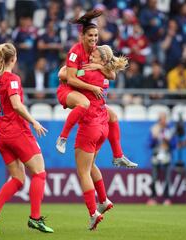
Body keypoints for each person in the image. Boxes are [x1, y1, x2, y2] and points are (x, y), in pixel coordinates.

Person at [0, 43, 54, 234]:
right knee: (39, 173)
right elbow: (16, 105)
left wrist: (2, 116)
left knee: (18, 178)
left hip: (1, 135)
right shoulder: (12, 79)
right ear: (13, 59)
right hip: (17, 132)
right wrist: (34, 122)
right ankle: (35, 218)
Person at [55, 9, 137, 168]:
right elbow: (65, 76)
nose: (93, 39)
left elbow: (112, 75)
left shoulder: (97, 52)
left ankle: (118, 155)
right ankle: (63, 138)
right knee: (84, 104)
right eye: (90, 36)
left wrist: (98, 66)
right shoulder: (75, 52)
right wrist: (87, 77)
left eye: (95, 36)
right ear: (82, 37)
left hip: (84, 93)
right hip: (69, 90)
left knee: (112, 116)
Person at [72, 45, 128, 230]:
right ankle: (103, 200)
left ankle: (92, 212)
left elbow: (66, 75)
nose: (90, 58)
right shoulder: (104, 74)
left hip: (89, 126)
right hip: (103, 126)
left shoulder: (89, 73)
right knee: (90, 165)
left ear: (102, 60)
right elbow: (111, 74)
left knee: (83, 172)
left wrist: (66, 70)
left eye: (94, 56)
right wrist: (99, 67)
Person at [147, 112, 175, 206]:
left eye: (164, 119)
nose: (163, 121)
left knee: (167, 178)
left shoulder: (170, 130)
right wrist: (154, 138)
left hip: (166, 155)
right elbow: (150, 144)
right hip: (156, 155)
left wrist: (169, 141)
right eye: (161, 119)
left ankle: (167, 198)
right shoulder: (154, 129)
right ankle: (152, 198)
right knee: (154, 178)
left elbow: (174, 145)